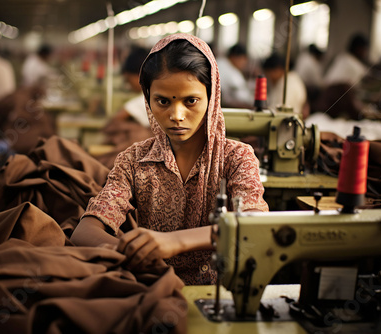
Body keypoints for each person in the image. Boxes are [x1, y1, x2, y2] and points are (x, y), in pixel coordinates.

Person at [70, 33, 268, 285]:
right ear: (147, 99)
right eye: (163, 101)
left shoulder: (237, 158)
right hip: (153, 285)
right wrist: (130, 250)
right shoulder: (133, 161)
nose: (176, 115)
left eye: (191, 101)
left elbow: (255, 227)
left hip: (218, 293)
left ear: (212, 97)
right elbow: (84, 231)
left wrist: (174, 241)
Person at [216, 43, 256, 108]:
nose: (244, 63)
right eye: (243, 59)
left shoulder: (220, 62)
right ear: (234, 57)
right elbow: (242, 96)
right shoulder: (229, 70)